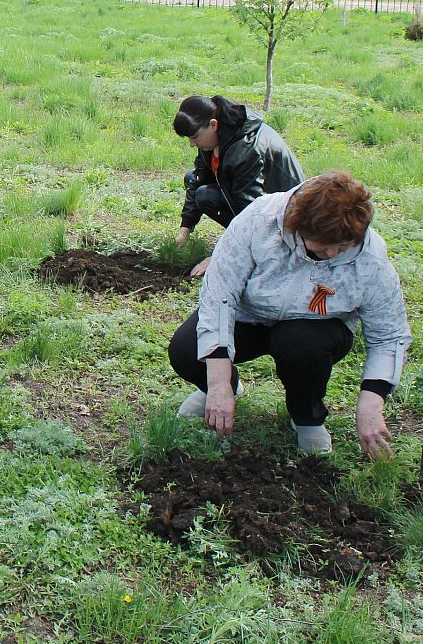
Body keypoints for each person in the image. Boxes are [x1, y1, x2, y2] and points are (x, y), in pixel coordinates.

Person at [168, 170, 408, 459]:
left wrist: (371, 404)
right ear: (298, 227)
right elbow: (219, 295)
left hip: (314, 329)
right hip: (250, 316)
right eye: (324, 246)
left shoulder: (370, 258)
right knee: (185, 350)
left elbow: (388, 335)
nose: (333, 254)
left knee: (299, 345)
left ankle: (306, 417)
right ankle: (226, 389)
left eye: (342, 248)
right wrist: (218, 382)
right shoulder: (260, 220)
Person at [173, 94, 304, 277]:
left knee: (206, 195)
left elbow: (253, 210)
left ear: (213, 124)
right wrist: (185, 228)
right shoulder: (217, 138)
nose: (191, 144)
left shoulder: (246, 149)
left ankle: (263, 249)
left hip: (289, 217)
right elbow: (199, 178)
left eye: (195, 137)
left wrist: (224, 256)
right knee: (195, 183)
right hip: (256, 203)